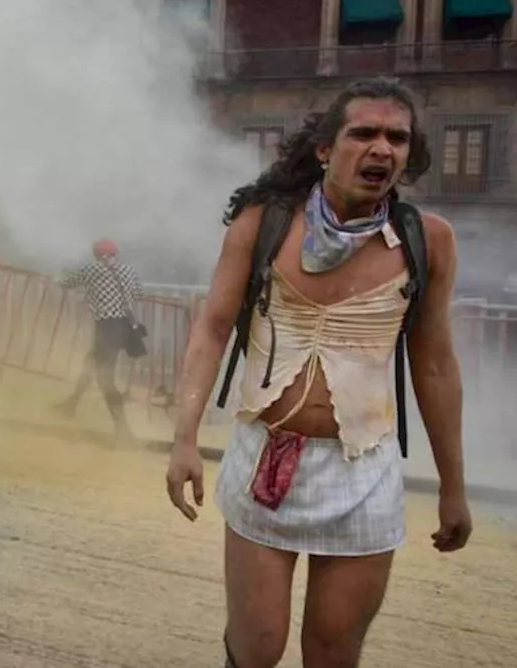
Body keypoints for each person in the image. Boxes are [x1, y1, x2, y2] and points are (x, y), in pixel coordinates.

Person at [164, 77, 472, 668]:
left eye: (397, 138)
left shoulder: (427, 240)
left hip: (363, 474)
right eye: (363, 133)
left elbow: (433, 365)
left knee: (333, 650)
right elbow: (211, 329)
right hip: (265, 462)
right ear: (326, 149)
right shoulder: (264, 223)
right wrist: (184, 440)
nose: (382, 148)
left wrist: (454, 488)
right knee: (257, 646)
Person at [53, 239, 145, 442]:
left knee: (105, 379)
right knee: (90, 363)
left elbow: (66, 282)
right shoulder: (128, 270)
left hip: (107, 327)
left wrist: (56, 274)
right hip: (124, 328)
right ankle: (72, 405)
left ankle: (123, 429)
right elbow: (139, 292)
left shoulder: (94, 270)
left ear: (97, 255)